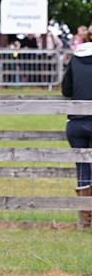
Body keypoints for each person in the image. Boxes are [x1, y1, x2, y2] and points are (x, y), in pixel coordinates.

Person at [61, 35, 92, 229]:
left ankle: (86, 219)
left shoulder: (75, 57)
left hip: (76, 122)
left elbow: (66, 89)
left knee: (82, 168)